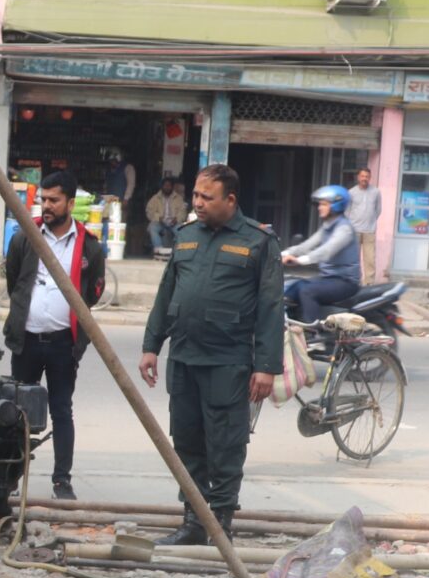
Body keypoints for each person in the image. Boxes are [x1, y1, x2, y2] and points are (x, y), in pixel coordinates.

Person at [138, 164, 284, 546]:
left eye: (207, 197)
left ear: (230, 200)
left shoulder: (258, 242)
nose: (198, 204)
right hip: (185, 359)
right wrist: (151, 345)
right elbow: (166, 295)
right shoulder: (186, 237)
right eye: (197, 197)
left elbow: (271, 307)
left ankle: (220, 524)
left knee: (225, 444)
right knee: (186, 442)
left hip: (228, 361)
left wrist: (266, 368)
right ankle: (193, 521)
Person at [3, 170, 106, 501]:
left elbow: (91, 295)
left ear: (70, 203)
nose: (46, 206)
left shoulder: (89, 246)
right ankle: (10, 476)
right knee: (17, 413)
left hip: (64, 344)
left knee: (61, 410)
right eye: (42, 199)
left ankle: (62, 480)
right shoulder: (25, 237)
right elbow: (15, 282)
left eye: (53, 200)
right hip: (27, 340)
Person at [282, 184, 362, 323]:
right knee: (292, 286)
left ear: (336, 205)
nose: (319, 207)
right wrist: (281, 253)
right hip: (329, 278)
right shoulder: (327, 226)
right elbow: (307, 245)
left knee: (307, 291)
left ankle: (313, 334)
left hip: (345, 282)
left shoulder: (344, 229)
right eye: (319, 204)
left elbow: (326, 251)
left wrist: (299, 261)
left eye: (324, 204)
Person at [346, 167, 383, 284]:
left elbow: (378, 210)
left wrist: (371, 221)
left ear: (370, 178)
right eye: (362, 176)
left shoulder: (376, 192)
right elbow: (347, 211)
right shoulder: (351, 192)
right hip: (354, 230)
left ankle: (369, 284)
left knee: (370, 260)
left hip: (369, 231)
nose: (364, 179)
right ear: (358, 177)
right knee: (353, 259)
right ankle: (354, 282)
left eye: (367, 176)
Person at [145, 176, 187, 255]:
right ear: (162, 186)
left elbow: (183, 211)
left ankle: (179, 253)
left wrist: (177, 219)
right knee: (152, 227)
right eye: (165, 185)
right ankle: (159, 250)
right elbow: (149, 211)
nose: (167, 187)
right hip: (160, 222)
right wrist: (158, 218)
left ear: (172, 187)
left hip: (174, 223)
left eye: (169, 186)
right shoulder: (155, 198)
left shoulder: (178, 198)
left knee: (182, 231)